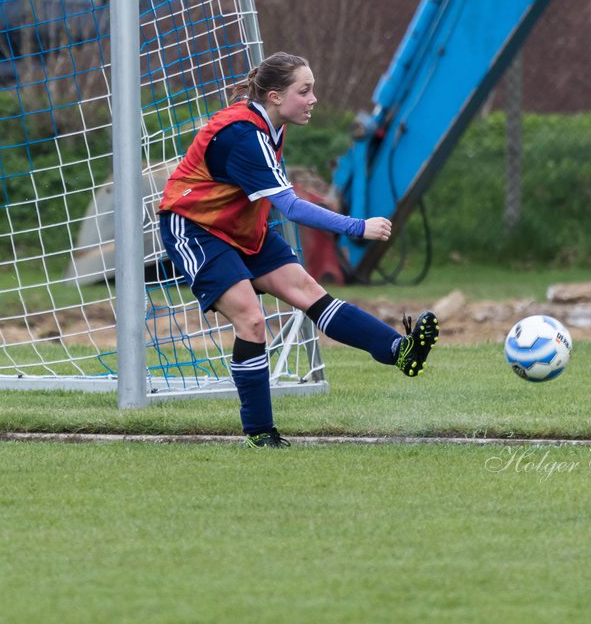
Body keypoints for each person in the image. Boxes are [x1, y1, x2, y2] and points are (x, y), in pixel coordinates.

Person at [159, 51, 439, 448]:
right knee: (253, 321)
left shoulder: (269, 123)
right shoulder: (243, 134)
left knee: (308, 293)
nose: (313, 99)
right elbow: (289, 207)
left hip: (240, 225)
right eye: (304, 91)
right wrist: (357, 227)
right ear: (274, 96)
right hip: (196, 227)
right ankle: (259, 432)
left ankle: (399, 350)